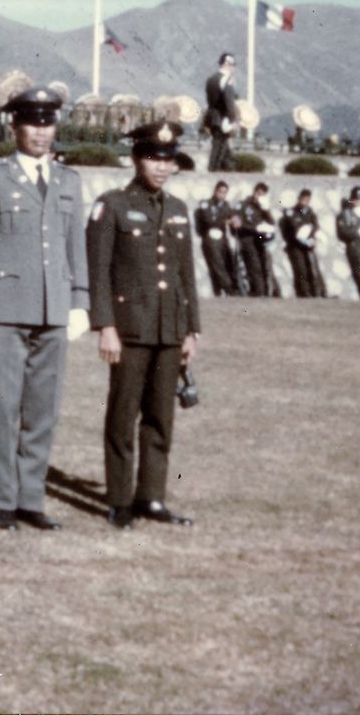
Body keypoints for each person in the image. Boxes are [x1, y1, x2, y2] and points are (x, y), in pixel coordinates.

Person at [0, 84, 89, 532]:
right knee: (4, 407)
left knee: (43, 410)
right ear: (14, 126)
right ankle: (5, 498)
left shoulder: (69, 180)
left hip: (54, 309)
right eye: (32, 122)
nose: (41, 131)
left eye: (48, 122)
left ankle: (32, 498)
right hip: (7, 309)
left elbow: (77, 247)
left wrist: (80, 301)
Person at [87, 122, 201, 530]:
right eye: (154, 158)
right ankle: (119, 499)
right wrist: (105, 326)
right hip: (130, 329)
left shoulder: (179, 211)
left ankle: (151, 497)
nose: (161, 167)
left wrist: (191, 331)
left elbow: (186, 275)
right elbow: (98, 271)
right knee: (123, 415)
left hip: (169, 329)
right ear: (136, 159)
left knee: (160, 418)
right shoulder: (112, 205)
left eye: (168, 159)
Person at [194, 181, 242, 297]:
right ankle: (229, 289)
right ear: (215, 191)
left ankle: (221, 290)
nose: (222, 194)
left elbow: (232, 216)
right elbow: (209, 220)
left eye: (225, 192)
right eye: (220, 192)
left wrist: (236, 220)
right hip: (210, 237)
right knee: (217, 264)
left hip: (222, 238)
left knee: (228, 263)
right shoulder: (206, 204)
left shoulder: (226, 205)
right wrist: (226, 221)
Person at [280, 188, 326, 299]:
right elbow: (293, 227)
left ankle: (318, 292)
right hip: (295, 246)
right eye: (303, 199)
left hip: (308, 245)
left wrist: (311, 238)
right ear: (299, 199)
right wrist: (302, 237)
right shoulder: (291, 212)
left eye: (307, 200)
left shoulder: (310, 213)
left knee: (313, 269)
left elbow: (315, 226)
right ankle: (304, 293)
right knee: (301, 270)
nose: (304, 202)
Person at [236, 182, 279, 297]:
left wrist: (266, 210)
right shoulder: (244, 204)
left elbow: (271, 222)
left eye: (262, 195)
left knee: (264, 263)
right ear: (254, 192)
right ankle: (258, 291)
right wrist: (255, 228)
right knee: (254, 265)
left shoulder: (262, 206)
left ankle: (266, 291)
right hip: (247, 237)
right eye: (258, 193)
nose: (259, 197)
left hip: (259, 238)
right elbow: (239, 223)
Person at [203, 52, 238, 172]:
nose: (233, 68)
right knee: (219, 147)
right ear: (227, 64)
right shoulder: (227, 80)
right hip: (223, 119)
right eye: (233, 65)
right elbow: (229, 101)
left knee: (221, 146)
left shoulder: (210, 79)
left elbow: (209, 101)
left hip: (212, 117)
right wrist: (232, 120)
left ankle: (229, 168)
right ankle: (214, 170)